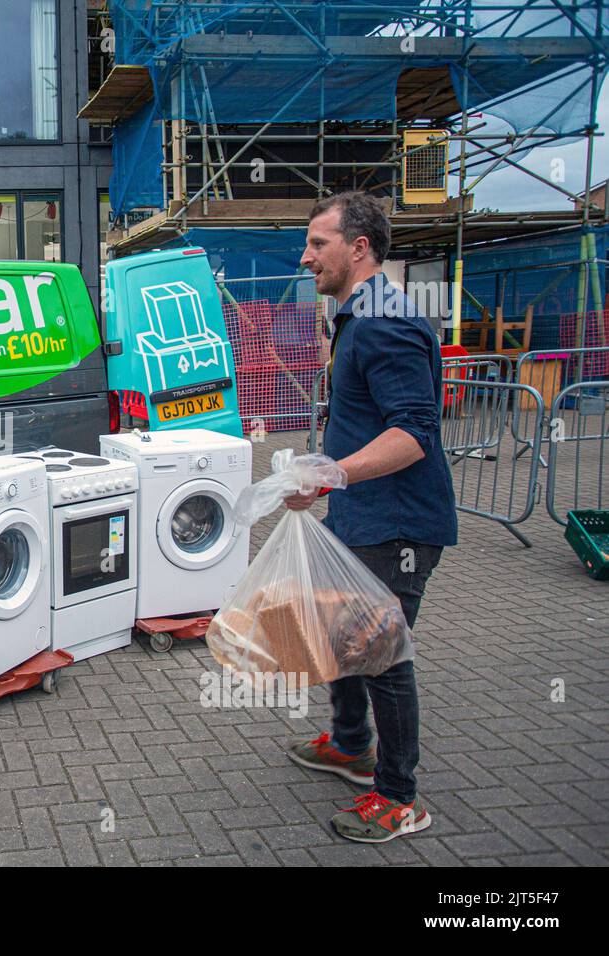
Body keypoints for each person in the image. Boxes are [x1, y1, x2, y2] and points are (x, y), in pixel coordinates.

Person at [285, 191, 457, 843]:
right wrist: (324, 480)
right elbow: (366, 423)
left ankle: (399, 796)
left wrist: (334, 474)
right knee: (343, 634)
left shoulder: (385, 320)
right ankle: (352, 745)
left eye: (317, 244)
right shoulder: (359, 315)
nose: (306, 257)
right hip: (362, 517)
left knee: (382, 654)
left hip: (399, 526)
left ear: (359, 248)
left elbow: (415, 432)